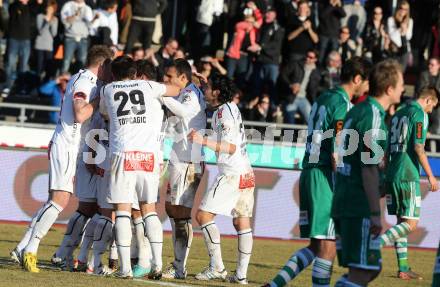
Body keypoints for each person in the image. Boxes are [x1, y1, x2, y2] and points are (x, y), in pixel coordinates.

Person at [264, 57, 371, 287]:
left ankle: (273, 286)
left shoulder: (324, 96)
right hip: (324, 176)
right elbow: (337, 149)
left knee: (316, 246)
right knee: (328, 247)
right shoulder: (342, 103)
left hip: (310, 171)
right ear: (357, 79)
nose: (367, 88)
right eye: (366, 82)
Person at [10, 45, 113, 273]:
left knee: (54, 201)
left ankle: (21, 246)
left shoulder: (82, 78)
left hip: (67, 144)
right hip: (67, 144)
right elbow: (79, 113)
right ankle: (31, 250)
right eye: (109, 68)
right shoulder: (86, 81)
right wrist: (98, 100)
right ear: (102, 65)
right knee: (59, 201)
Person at [99, 55, 179, 279]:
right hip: (148, 156)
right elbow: (174, 90)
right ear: (135, 73)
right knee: (149, 209)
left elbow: (104, 113)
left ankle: (124, 268)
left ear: (114, 75)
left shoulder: (108, 89)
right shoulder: (149, 86)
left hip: (122, 153)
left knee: (122, 210)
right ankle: (158, 264)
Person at [332, 59, 404, 286]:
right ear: (390, 89)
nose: (403, 89)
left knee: (368, 268)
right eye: (401, 84)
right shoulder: (372, 115)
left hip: (344, 200)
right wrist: (375, 213)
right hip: (357, 205)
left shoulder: (358, 111)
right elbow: (368, 169)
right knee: (365, 269)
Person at [189, 75, 255, 284]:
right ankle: (241, 276)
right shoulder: (230, 107)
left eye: (207, 87)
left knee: (203, 216)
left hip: (231, 174)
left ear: (217, 92)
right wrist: (205, 80)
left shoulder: (223, 114)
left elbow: (231, 147)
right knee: (241, 222)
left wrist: (202, 140)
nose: (205, 90)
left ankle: (217, 267)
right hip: (246, 172)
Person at [381, 88, 439, 280]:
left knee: (401, 222)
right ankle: (372, 246)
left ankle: (403, 268)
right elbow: (418, 147)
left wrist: (387, 171)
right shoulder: (419, 113)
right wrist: (430, 175)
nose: (432, 111)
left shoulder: (398, 113)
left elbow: (387, 146)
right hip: (407, 174)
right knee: (411, 224)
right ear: (429, 100)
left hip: (393, 174)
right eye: (433, 107)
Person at [158, 59, 207, 280]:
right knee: (172, 209)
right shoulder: (183, 91)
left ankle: (179, 266)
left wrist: (159, 94)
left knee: (181, 212)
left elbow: (185, 112)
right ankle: (178, 264)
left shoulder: (190, 93)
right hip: (178, 157)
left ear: (183, 78)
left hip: (190, 160)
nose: (165, 80)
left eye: (170, 77)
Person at [3, 0, 42, 96]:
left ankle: (21, 87)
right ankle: (8, 86)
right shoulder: (14, 6)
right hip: (14, 38)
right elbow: (11, 13)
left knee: (23, 66)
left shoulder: (31, 6)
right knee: (10, 64)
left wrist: (38, 3)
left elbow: (38, 9)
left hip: (26, 40)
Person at [251, 7, 285, 102]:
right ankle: (256, 111)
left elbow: (276, 45)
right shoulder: (263, 26)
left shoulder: (277, 27)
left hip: (271, 61)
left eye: (270, 13)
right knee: (257, 87)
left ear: (275, 15)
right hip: (260, 60)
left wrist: (260, 47)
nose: (267, 15)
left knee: (272, 87)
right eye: (266, 13)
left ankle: (273, 111)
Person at [225, 2, 262, 86]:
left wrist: (255, 9)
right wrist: (252, 23)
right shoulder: (240, 25)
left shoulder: (254, 29)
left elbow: (260, 21)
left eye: (250, 16)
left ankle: (237, 97)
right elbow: (242, 26)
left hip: (244, 56)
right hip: (233, 55)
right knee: (229, 76)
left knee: (241, 78)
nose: (248, 17)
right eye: (247, 16)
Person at [281, 49, 320, 124]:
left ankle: (308, 136)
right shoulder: (296, 64)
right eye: (307, 56)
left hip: (304, 99)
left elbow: (314, 89)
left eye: (310, 57)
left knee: (311, 121)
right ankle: (288, 136)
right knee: (289, 122)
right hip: (291, 97)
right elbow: (283, 75)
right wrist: (290, 85)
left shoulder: (316, 72)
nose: (307, 58)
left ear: (315, 59)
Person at [60, 0, 93, 73]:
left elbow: (90, 25)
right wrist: (75, 15)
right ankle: (62, 82)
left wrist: (95, 19)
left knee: (82, 63)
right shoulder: (68, 5)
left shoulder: (87, 8)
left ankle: (79, 82)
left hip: (83, 39)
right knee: (66, 61)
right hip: (70, 38)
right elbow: (64, 21)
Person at [34, 0, 58, 78]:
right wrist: (46, 21)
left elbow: (54, 34)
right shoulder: (40, 16)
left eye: (51, 8)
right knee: (39, 66)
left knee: (48, 67)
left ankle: (45, 85)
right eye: (48, 8)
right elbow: (40, 31)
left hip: (48, 46)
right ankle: (36, 84)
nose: (49, 10)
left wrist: (50, 22)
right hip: (39, 45)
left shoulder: (55, 19)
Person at [387, 0, 413, 72]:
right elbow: (392, 35)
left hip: (404, 50)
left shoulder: (410, 21)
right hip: (393, 49)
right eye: (401, 8)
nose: (403, 11)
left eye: (405, 9)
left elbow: (409, 37)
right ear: (398, 8)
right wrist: (400, 28)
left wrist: (404, 29)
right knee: (391, 71)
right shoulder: (391, 20)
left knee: (401, 72)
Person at [318, 0, 345, 64]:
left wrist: (339, 6)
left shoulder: (339, 3)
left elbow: (343, 14)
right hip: (324, 34)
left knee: (334, 56)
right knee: (321, 55)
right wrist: (332, 5)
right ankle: (319, 69)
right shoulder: (322, 2)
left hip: (335, 34)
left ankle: (332, 71)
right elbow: (322, 15)